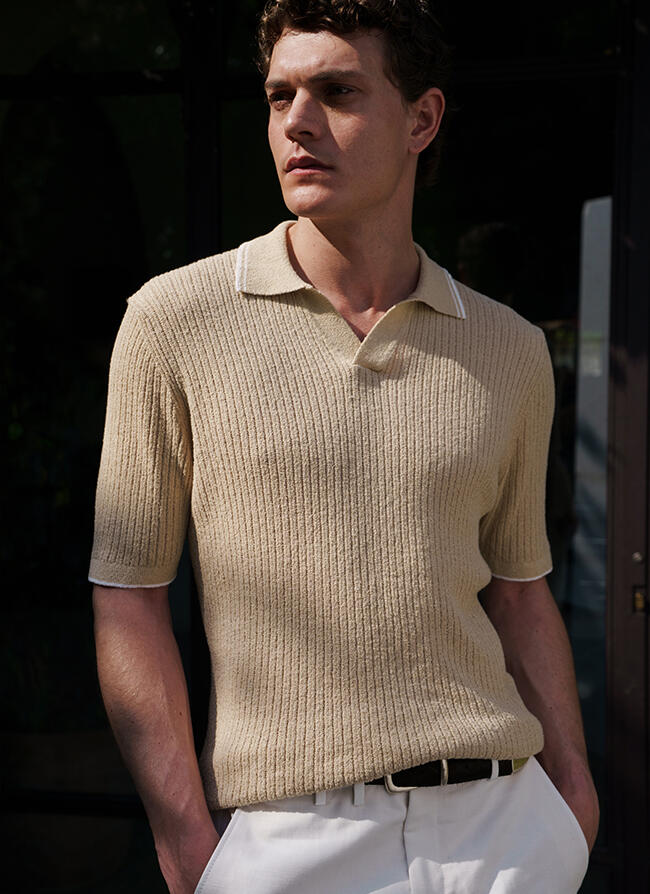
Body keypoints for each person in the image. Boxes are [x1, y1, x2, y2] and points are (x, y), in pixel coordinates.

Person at [89, 1, 600, 892]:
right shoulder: (174, 322)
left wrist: (573, 797)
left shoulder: (508, 347)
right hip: (289, 839)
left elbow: (520, 592)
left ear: (422, 120)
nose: (297, 122)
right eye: (279, 95)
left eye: (337, 91)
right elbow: (129, 597)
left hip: (504, 834)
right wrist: (185, 842)